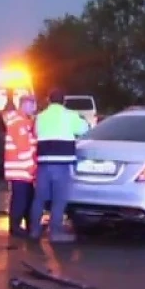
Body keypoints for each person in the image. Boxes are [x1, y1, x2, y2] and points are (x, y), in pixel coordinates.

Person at [29, 89, 89, 242]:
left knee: (40, 198)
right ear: (64, 101)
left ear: (49, 100)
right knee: (59, 199)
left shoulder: (40, 117)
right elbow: (84, 129)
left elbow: (35, 133)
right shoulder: (70, 115)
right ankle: (55, 233)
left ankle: (34, 231)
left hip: (43, 164)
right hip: (62, 164)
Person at [2, 94, 37, 237]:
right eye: (33, 105)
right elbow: (23, 149)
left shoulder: (24, 121)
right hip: (21, 170)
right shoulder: (19, 123)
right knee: (20, 199)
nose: (35, 108)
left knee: (26, 198)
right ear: (25, 105)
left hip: (22, 170)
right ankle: (15, 227)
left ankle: (26, 226)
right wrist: (32, 168)